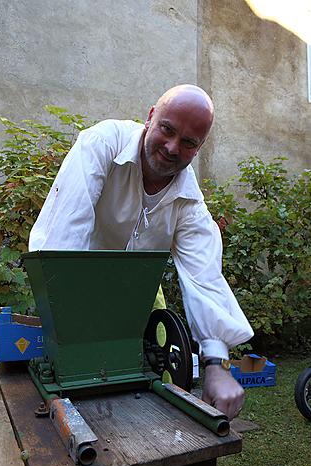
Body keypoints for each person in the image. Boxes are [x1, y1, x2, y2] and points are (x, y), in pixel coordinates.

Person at [29, 84, 254, 420]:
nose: (172, 147)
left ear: (199, 148)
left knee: (132, 406)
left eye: (189, 142)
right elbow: (64, 236)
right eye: (167, 129)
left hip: (135, 305)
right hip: (69, 298)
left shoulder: (189, 205)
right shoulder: (102, 143)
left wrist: (216, 363)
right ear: (151, 117)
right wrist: (72, 330)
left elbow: (204, 276)